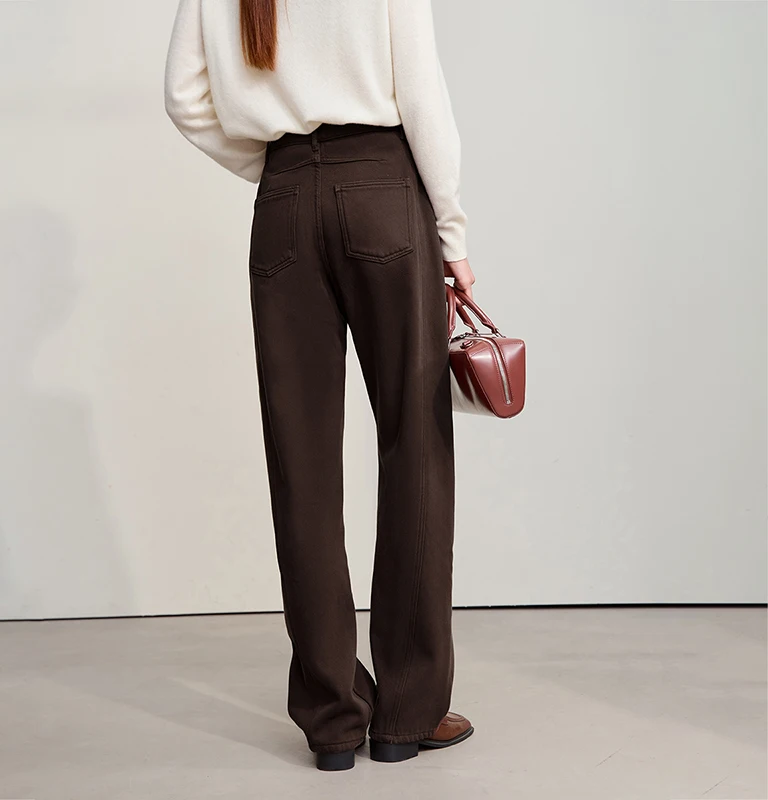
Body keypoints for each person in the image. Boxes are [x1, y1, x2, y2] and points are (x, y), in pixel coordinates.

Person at [164, 0, 476, 772]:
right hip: (382, 193)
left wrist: (279, 167)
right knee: (414, 443)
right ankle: (406, 713)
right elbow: (421, 90)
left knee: (300, 466)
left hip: (282, 206)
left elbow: (184, 97)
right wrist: (453, 235)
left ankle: (333, 720)